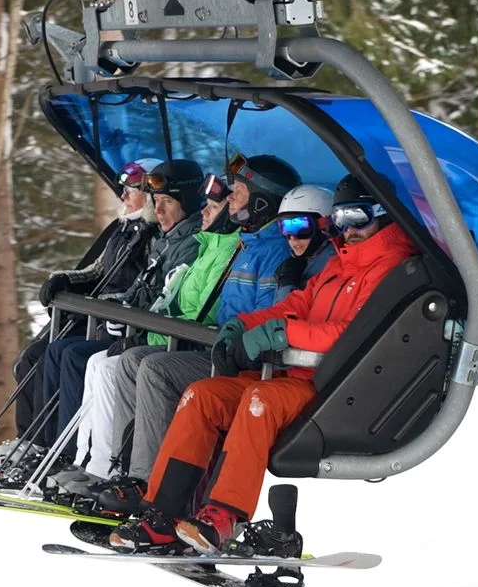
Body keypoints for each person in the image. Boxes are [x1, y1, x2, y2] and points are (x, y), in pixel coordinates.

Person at [107, 173, 419, 553]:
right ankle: (161, 513)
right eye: (339, 219)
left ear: (382, 215)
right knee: (201, 395)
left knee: (259, 400)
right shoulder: (340, 264)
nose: (347, 229)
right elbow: (295, 305)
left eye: (356, 217)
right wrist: (245, 324)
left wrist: (282, 335)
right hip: (289, 375)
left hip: (331, 389)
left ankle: (223, 514)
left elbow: (350, 334)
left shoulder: (390, 270)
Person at [92, 155, 302, 513]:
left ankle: (147, 482)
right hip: (218, 347)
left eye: (238, 192)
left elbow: (271, 318)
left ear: (263, 201)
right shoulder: (246, 246)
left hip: (240, 362)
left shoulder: (277, 254)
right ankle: (125, 471)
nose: (231, 199)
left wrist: (236, 338)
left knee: (156, 370)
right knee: (131, 362)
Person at [57, 183, 240, 490]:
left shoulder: (215, 248)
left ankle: (124, 473)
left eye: (214, 206)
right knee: (98, 361)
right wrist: (123, 310)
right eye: (156, 201)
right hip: (167, 339)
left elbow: (200, 315)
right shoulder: (203, 244)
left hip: (195, 349)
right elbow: (161, 296)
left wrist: (143, 334)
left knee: (116, 366)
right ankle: (106, 466)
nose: (205, 211)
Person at [35, 159, 205, 461]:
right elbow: (117, 277)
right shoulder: (156, 237)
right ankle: (49, 449)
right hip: (136, 329)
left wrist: (126, 313)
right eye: (156, 201)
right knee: (49, 352)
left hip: (156, 339)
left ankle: (84, 458)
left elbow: (166, 298)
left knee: (84, 359)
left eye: (166, 201)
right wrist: (68, 282)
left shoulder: (181, 240)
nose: (160, 209)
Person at [8, 159, 161, 444]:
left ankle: (50, 444)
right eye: (122, 190)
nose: (124, 196)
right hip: (94, 314)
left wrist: (110, 302)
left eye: (130, 190)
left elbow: (146, 284)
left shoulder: (153, 235)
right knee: (34, 355)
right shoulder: (123, 228)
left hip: (115, 321)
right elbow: (97, 271)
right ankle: (26, 440)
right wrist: (62, 279)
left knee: (62, 357)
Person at [272, 184, 336, 303]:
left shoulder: (332, 268)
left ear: (325, 227)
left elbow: (288, 316)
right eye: (286, 227)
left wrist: (287, 286)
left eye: (301, 228)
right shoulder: (299, 264)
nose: (293, 238)